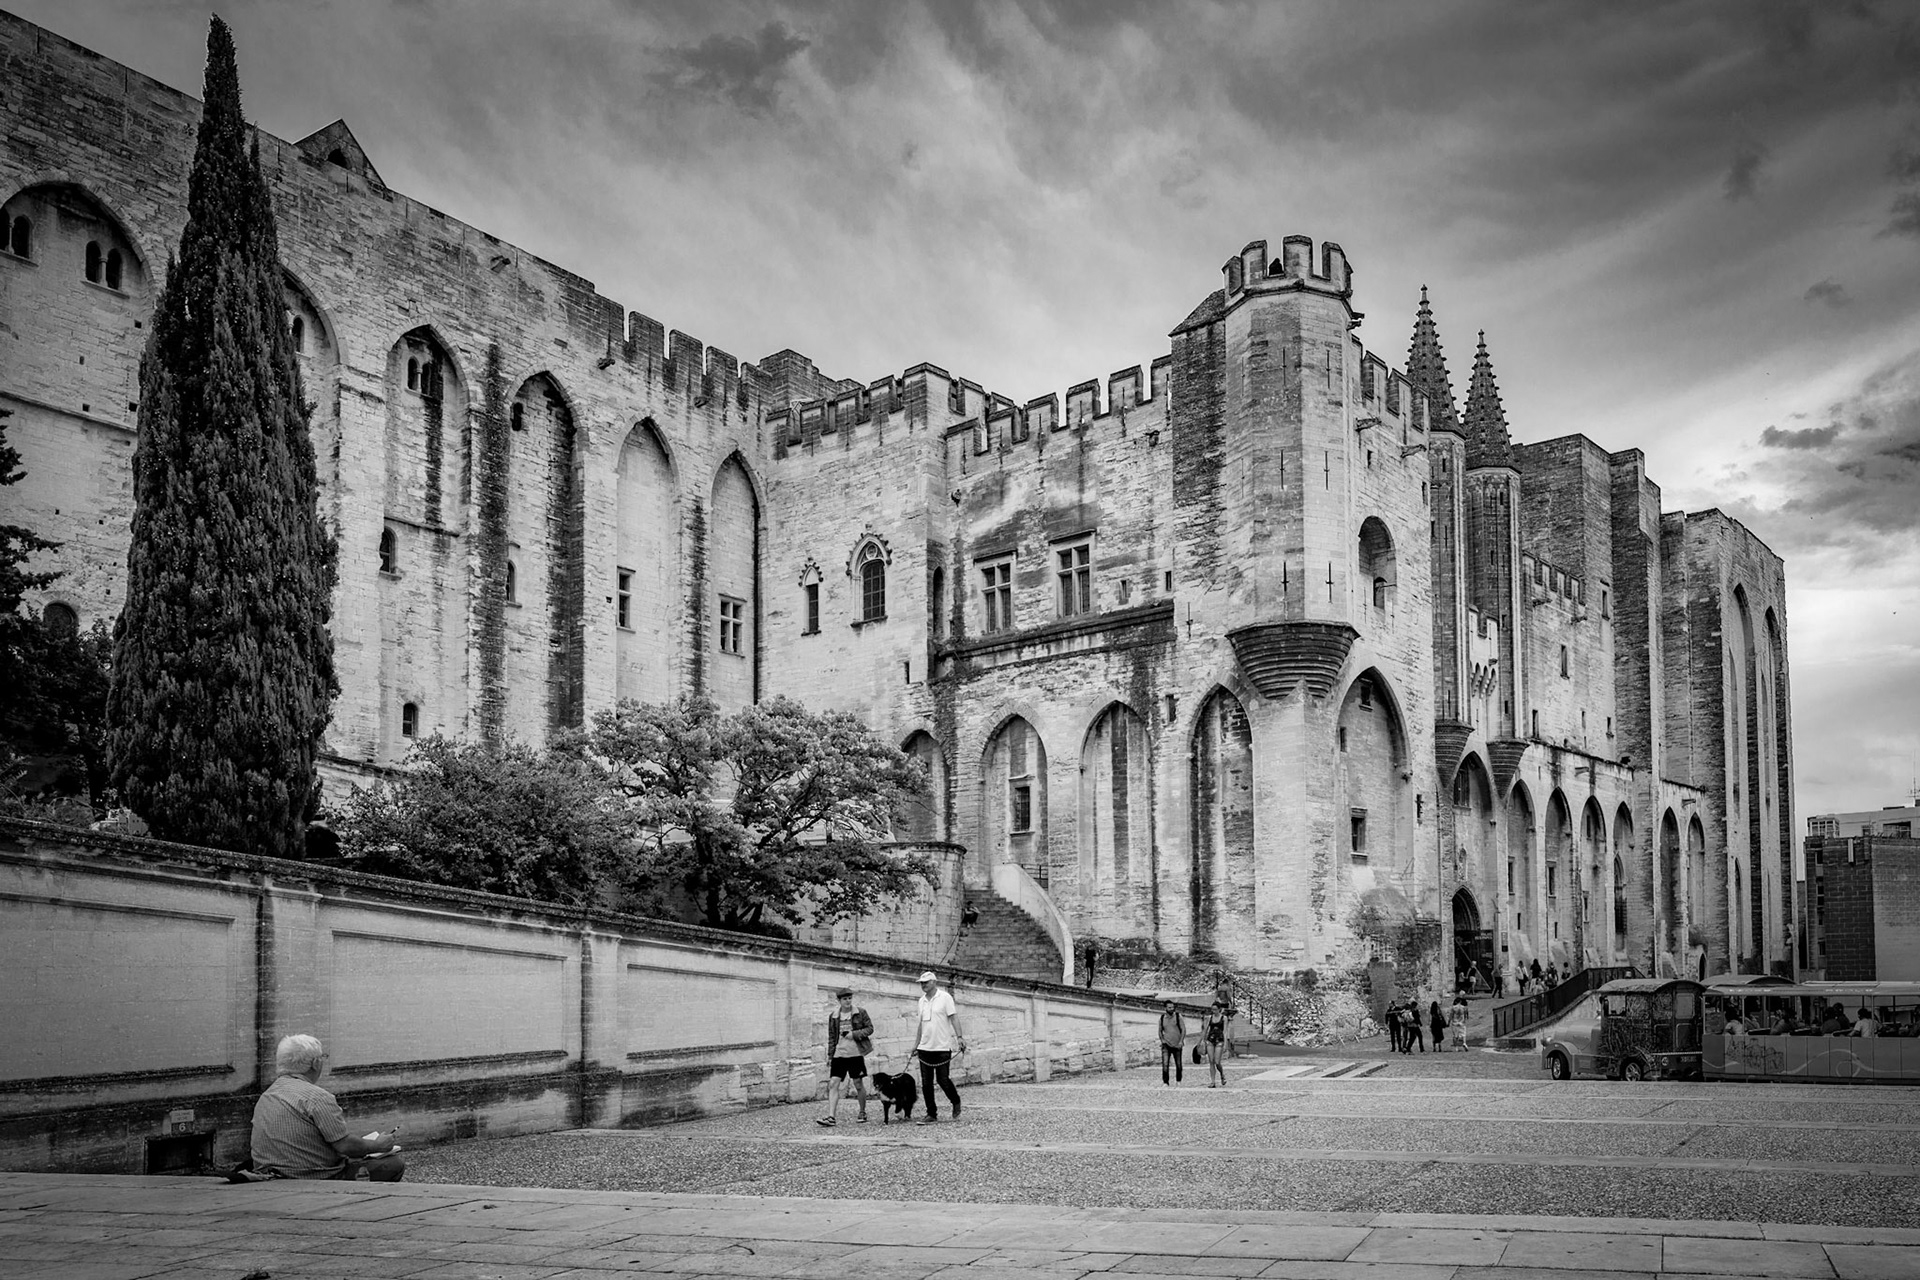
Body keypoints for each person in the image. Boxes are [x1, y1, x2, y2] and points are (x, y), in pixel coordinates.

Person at [250, 1035, 405, 1181]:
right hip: (312, 1177)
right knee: (393, 1164)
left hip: (269, 1176)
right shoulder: (317, 1097)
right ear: (316, 1063)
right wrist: (378, 1145)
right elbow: (344, 1145)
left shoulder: (267, 1096)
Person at [910, 971, 966, 1123]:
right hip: (925, 1047)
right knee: (926, 1083)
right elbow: (921, 1025)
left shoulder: (945, 997)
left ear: (934, 982)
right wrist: (916, 1045)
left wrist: (959, 1037)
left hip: (941, 1046)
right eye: (921, 983)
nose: (923, 985)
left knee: (943, 1079)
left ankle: (955, 1100)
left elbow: (953, 1017)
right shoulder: (921, 1001)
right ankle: (931, 1113)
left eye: (926, 982)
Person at [817, 988, 872, 1127]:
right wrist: (830, 1055)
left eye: (849, 998)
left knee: (858, 1084)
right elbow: (832, 1037)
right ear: (839, 1001)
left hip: (855, 1054)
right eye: (845, 999)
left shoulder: (860, 1012)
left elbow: (870, 1029)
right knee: (833, 1083)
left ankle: (862, 1111)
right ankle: (831, 1117)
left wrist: (854, 1034)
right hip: (839, 1055)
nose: (848, 1001)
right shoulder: (834, 1016)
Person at [1158, 1000, 1187, 1084]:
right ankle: (1165, 1082)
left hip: (1177, 1043)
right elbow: (1160, 1030)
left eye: (1172, 1007)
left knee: (1178, 1064)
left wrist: (1181, 1041)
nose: (1171, 1009)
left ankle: (1178, 1080)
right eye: (1169, 1007)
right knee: (1165, 1064)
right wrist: (1162, 1040)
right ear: (1165, 1008)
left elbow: (1183, 1029)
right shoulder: (1162, 1018)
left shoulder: (1178, 1017)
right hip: (1166, 1044)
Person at [1202, 999, 1229, 1088]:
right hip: (1210, 1039)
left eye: (1215, 1009)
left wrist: (1225, 1043)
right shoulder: (1209, 1018)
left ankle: (1222, 1074)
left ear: (1219, 1009)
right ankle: (1213, 1081)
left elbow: (1225, 1031)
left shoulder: (1224, 1018)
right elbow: (1206, 1029)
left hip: (1219, 1039)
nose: (1213, 1011)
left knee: (1217, 1061)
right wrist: (1203, 1040)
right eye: (1212, 1009)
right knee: (1211, 1061)